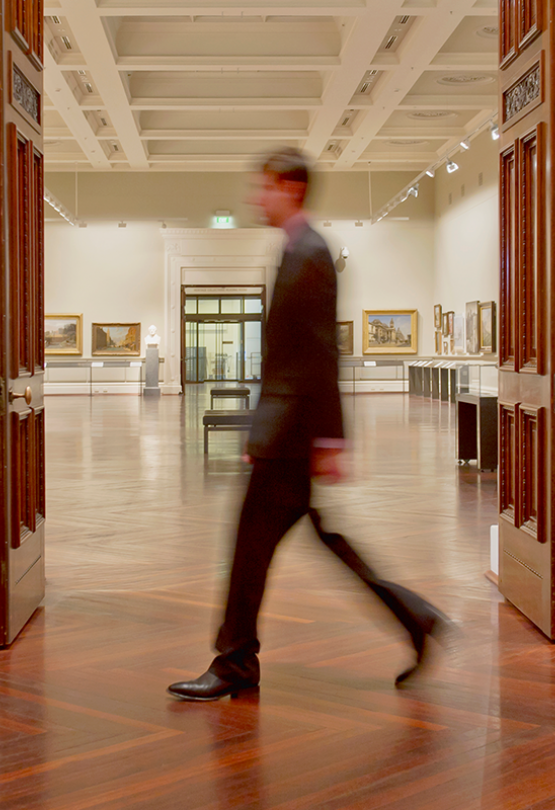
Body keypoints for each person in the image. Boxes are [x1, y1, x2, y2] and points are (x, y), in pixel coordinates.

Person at [167, 148, 447, 702]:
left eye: (264, 187)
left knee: (252, 548)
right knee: (314, 540)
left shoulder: (310, 252)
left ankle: (236, 662)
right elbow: (294, 354)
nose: (256, 197)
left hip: (289, 437)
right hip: (284, 433)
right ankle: (414, 618)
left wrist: (327, 439)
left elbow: (318, 353)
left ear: (290, 188)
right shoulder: (298, 249)